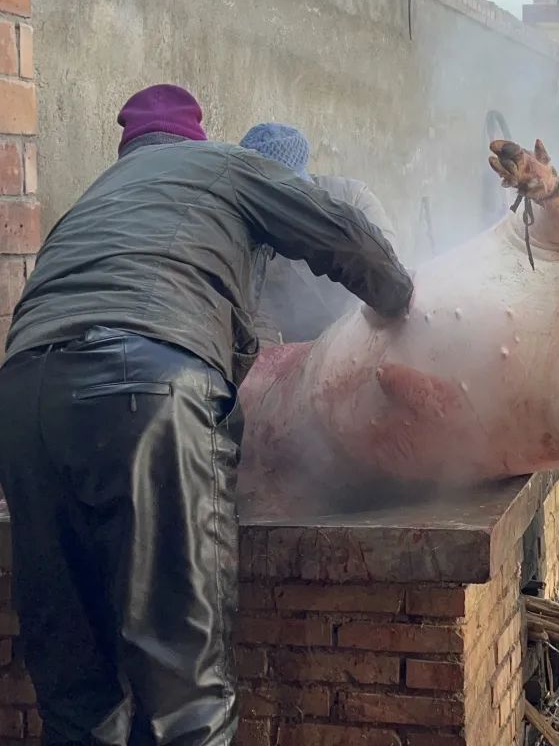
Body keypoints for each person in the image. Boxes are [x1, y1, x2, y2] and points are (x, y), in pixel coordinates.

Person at [0, 85, 413, 745]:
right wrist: (401, 301)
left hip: (23, 404)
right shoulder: (223, 165)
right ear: (195, 139)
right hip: (147, 390)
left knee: (77, 694)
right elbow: (340, 233)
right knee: (184, 695)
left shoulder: (96, 198)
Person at [237, 122, 400, 344]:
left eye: (291, 194)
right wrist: (271, 357)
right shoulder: (248, 232)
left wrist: (355, 325)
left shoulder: (352, 198)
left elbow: (386, 260)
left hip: (364, 328)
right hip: (298, 347)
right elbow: (254, 309)